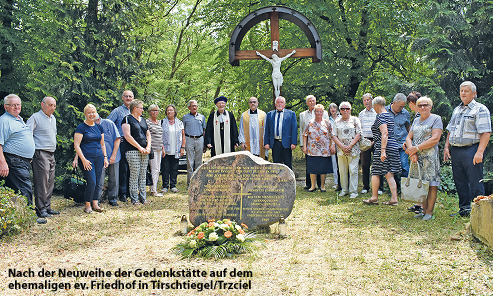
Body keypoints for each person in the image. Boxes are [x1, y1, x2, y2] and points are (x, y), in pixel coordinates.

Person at [444, 81, 492, 217]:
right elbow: (450, 129)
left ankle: (481, 213)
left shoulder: (480, 109)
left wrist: (480, 152)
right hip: (456, 151)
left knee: (475, 181)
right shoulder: (457, 109)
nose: (463, 93)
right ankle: (464, 210)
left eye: (466, 91)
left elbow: (486, 132)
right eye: (461, 91)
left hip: (472, 150)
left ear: (474, 93)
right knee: (460, 181)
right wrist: (446, 147)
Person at [0, 94, 44, 223]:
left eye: (18, 104)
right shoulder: (4, 121)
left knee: (15, 190)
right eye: (13, 105)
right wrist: (2, 163)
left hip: (22, 161)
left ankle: (19, 216)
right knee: (24, 188)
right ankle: (31, 216)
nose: (16, 107)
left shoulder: (18, 119)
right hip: (14, 160)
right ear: (5, 107)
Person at [405, 96, 443, 220]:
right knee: (421, 183)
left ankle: (429, 212)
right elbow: (409, 137)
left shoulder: (436, 119)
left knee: (431, 184)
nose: (423, 107)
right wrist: (412, 152)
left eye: (425, 105)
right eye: (420, 105)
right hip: (417, 158)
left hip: (430, 157)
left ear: (430, 107)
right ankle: (423, 210)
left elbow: (435, 139)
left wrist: (416, 148)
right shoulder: (416, 120)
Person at [74, 114, 121, 206]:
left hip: (110, 155)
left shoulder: (107, 124)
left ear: (98, 119)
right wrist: (76, 158)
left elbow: (117, 139)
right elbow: (80, 145)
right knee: (96, 181)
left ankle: (113, 199)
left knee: (114, 179)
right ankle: (95, 201)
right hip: (95, 157)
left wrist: (112, 155)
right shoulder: (84, 127)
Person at [363, 96, 401, 206]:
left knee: (375, 171)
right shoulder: (390, 115)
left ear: (376, 105)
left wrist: (383, 150)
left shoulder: (380, 116)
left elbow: (385, 133)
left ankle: (374, 197)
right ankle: (394, 199)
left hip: (383, 147)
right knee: (389, 172)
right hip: (392, 145)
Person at [26, 96, 59, 219]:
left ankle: (47, 206)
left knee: (50, 181)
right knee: (42, 182)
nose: (52, 108)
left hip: (51, 153)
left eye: (54, 106)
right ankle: (40, 208)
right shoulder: (35, 117)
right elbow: (27, 135)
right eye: (50, 105)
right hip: (40, 152)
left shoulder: (53, 118)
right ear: (42, 104)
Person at [74, 104, 109, 213]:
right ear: (85, 114)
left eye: (93, 112)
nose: (91, 114)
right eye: (89, 112)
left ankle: (95, 203)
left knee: (98, 182)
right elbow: (76, 145)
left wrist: (105, 157)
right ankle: (87, 205)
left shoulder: (99, 127)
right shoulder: (81, 127)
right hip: (87, 159)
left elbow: (102, 144)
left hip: (99, 157)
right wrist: (83, 160)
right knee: (92, 181)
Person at [122, 100, 151, 205]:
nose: (143, 110)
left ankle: (143, 198)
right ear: (135, 108)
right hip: (132, 151)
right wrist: (139, 147)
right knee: (134, 174)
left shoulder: (143, 120)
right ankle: (134, 199)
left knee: (143, 174)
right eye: (141, 108)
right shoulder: (127, 119)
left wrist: (148, 147)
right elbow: (127, 136)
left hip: (145, 151)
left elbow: (148, 134)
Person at [331, 102, 362, 199]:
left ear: (350, 110)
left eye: (347, 108)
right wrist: (342, 146)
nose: (345, 110)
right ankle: (344, 190)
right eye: (343, 109)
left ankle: (353, 191)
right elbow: (333, 135)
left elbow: (359, 133)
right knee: (342, 170)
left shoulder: (355, 120)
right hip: (341, 150)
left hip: (353, 149)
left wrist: (350, 145)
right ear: (339, 110)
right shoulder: (336, 121)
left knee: (353, 170)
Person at [107, 90, 134, 202]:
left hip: (133, 144)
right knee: (123, 169)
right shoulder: (117, 111)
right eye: (126, 96)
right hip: (122, 143)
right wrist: (115, 137)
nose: (128, 98)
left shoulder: (135, 112)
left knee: (131, 169)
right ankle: (122, 193)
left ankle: (129, 191)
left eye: (130, 96)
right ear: (122, 98)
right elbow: (108, 124)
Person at [299, 95, 329, 190]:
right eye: (310, 101)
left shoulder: (325, 114)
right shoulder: (303, 115)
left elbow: (329, 131)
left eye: (314, 101)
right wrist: (303, 145)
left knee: (321, 164)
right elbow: (302, 131)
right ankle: (310, 184)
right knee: (310, 164)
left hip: (323, 145)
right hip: (310, 144)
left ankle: (321, 185)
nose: (312, 102)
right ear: (307, 103)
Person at [302, 104, 334, 192]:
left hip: (324, 150)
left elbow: (332, 136)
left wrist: (332, 145)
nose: (318, 113)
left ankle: (322, 186)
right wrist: (304, 146)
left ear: (323, 112)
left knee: (323, 168)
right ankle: (313, 186)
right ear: (314, 112)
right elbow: (304, 135)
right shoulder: (310, 122)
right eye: (317, 111)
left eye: (320, 111)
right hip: (312, 149)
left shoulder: (327, 123)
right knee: (312, 167)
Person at [263, 96, 297, 169]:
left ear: (284, 104)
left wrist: (293, 142)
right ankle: (277, 180)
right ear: (275, 104)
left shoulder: (291, 114)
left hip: (287, 143)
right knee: (276, 164)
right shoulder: (269, 114)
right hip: (275, 143)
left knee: (288, 164)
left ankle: (288, 180)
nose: (279, 104)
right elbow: (267, 130)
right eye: (278, 102)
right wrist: (266, 143)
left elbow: (294, 129)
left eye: (281, 102)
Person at [385, 93, 411, 187]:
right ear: (394, 103)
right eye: (400, 106)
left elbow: (409, 127)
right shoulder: (384, 111)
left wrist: (409, 141)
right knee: (391, 168)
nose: (402, 108)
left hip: (402, 144)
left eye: (403, 106)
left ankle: (406, 188)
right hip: (389, 144)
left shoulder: (405, 113)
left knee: (404, 166)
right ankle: (395, 188)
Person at [161, 104, 185, 193]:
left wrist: (183, 147)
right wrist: (162, 147)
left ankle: (173, 185)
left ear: (175, 112)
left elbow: (183, 136)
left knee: (174, 168)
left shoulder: (180, 123)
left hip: (176, 149)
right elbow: (160, 136)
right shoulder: (162, 122)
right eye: (168, 110)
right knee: (165, 168)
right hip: (165, 149)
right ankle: (165, 186)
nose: (169, 112)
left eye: (171, 110)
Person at [182, 100, 206, 186]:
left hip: (200, 139)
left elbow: (204, 130)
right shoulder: (185, 117)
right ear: (189, 107)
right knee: (190, 162)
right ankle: (190, 183)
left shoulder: (202, 117)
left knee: (199, 162)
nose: (194, 107)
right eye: (192, 106)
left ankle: (198, 183)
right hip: (189, 139)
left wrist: (204, 144)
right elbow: (183, 131)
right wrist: (183, 144)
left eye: (195, 105)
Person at [358, 93, 377, 194]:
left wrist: (375, 141)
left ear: (372, 100)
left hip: (376, 140)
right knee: (365, 164)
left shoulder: (377, 112)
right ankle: (366, 187)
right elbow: (359, 129)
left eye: (368, 100)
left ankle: (379, 188)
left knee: (378, 164)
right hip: (365, 141)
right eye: (364, 100)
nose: (366, 102)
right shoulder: (361, 114)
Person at [146, 104, 164, 197]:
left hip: (159, 149)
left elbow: (161, 136)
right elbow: (147, 136)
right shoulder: (147, 122)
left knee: (158, 170)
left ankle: (154, 188)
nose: (155, 112)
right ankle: (153, 190)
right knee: (154, 169)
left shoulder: (159, 122)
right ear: (149, 111)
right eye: (153, 110)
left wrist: (163, 147)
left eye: (157, 110)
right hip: (152, 149)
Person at [328, 103, 341, 190]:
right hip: (331, 143)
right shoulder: (327, 120)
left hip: (340, 142)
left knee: (341, 163)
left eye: (334, 108)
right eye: (331, 108)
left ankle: (343, 182)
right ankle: (336, 183)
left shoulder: (341, 118)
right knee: (334, 164)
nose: (333, 110)